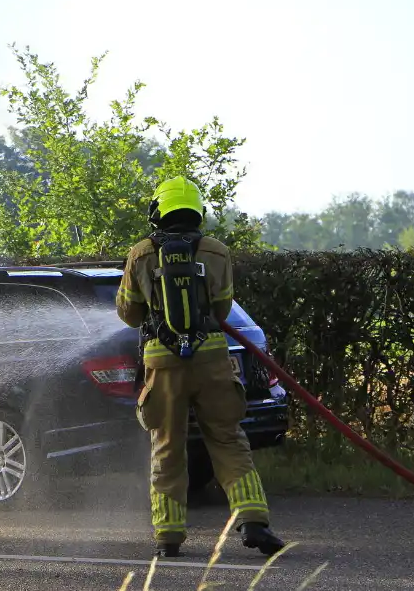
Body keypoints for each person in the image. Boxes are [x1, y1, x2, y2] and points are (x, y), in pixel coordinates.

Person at [115, 176, 286, 558]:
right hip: (211, 357)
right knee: (227, 439)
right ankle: (253, 519)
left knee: (167, 447)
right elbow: (223, 310)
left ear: (157, 212)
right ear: (198, 212)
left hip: (162, 362)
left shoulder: (140, 253)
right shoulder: (217, 251)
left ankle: (169, 536)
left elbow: (128, 314)